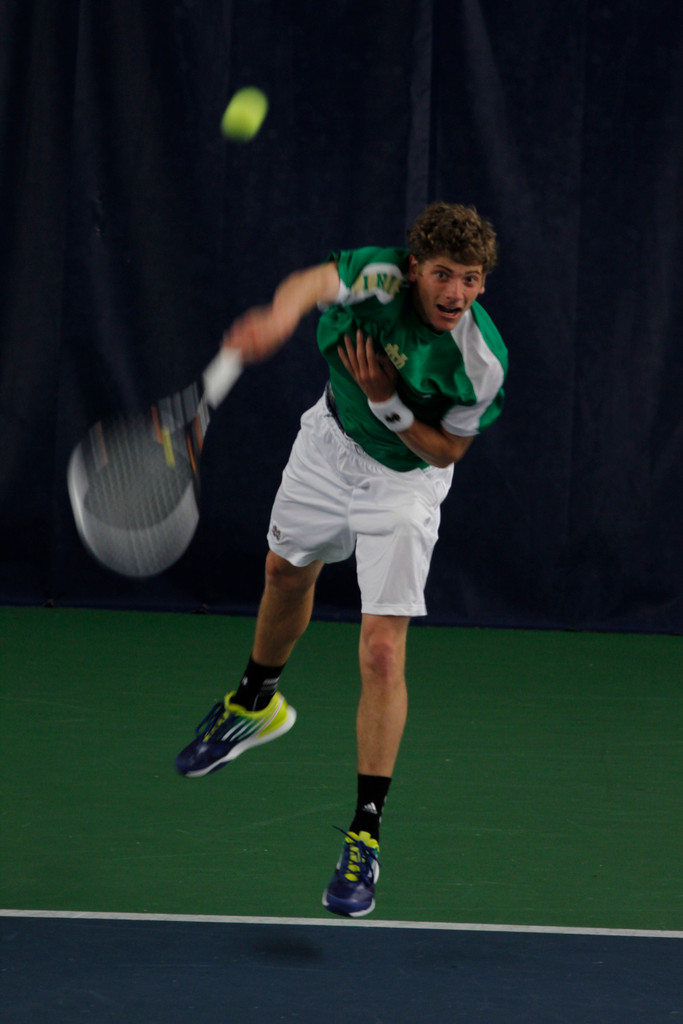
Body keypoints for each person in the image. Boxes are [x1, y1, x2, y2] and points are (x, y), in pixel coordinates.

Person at [175, 201, 507, 917]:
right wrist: (278, 315)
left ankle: (364, 835)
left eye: (471, 280)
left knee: (382, 653)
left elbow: (448, 450)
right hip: (328, 443)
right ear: (415, 268)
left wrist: (388, 403)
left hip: (403, 481)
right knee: (283, 573)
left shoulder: (479, 362)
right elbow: (311, 282)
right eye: (444, 275)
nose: (455, 294)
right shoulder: (380, 278)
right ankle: (254, 703)